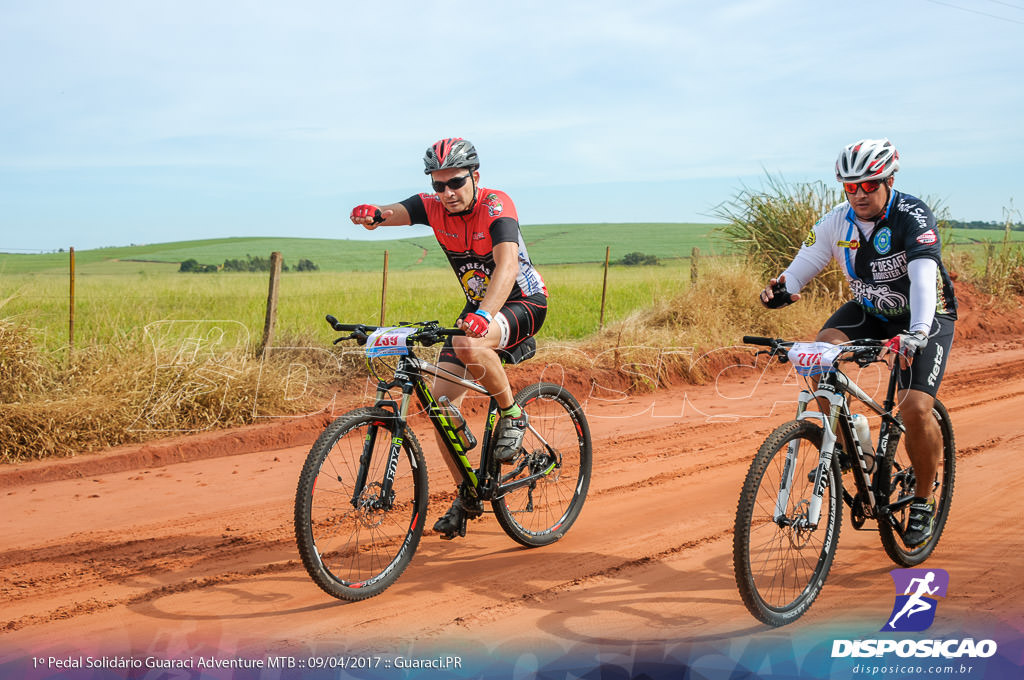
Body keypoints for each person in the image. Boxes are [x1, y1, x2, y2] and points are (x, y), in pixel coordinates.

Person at [760, 138, 957, 548]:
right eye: (851, 187)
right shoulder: (837, 221)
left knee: (915, 406)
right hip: (872, 310)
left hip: (926, 315)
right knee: (818, 355)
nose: (860, 194)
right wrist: (785, 287)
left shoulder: (912, 215)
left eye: (868, 185)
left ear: (887, 179)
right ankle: (854, 441)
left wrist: (917, 332)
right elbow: (806, 262)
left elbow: (923, 279)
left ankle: (922, 499)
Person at [349, 137, 548, 539]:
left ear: (475, 176)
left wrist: (484, 314)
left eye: (456, 183)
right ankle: (467, 495)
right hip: (478, 310)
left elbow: (507, 265)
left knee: (469, 344)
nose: (447, 193)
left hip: (521, 301)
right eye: (439, 185)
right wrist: (373, 214)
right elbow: (393, 213)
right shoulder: (433, 206)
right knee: (441, 409)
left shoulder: (496, 205)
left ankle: (512, 414)